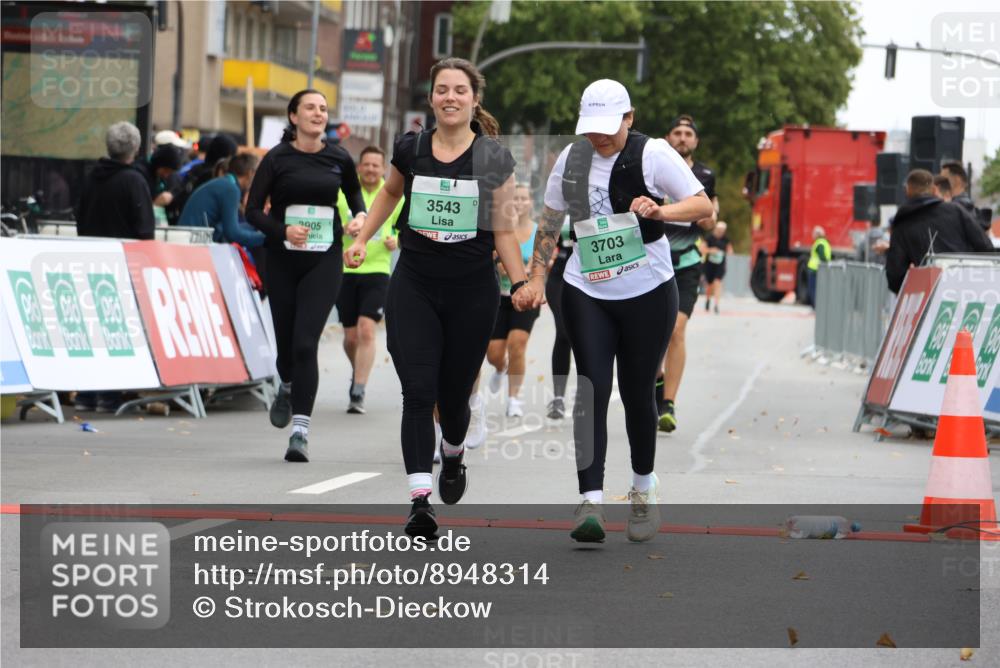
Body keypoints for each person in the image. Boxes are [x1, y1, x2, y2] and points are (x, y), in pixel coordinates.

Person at [516, 79, 713, 543]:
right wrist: (538, 276)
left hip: (648, 288)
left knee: (638, 392)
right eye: (591, 128)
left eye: (609, 127)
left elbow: (702, 206)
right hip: (587, 288)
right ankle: (591, 501)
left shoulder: (654, 154)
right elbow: (549, 221)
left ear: (630, 118)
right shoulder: (571, 159)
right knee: (592, 390)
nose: (599, 138)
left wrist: (662, 212)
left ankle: (643, 488)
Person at [344, 58, 531, 538]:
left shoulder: (492, 157)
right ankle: (419, 502)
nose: (450, 97)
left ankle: (453, 453)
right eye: (441, 90)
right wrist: (364, 237)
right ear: (431, 99)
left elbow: (505, 228)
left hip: (472, 288)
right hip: (416, 284)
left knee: (453, 398)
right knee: (417, 391)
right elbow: (388, 194)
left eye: (459, 90)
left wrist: (521, 281)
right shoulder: (411, 148)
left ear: (474, 99)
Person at [246, 89, 366, 463]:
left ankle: (300, 432)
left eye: (323, 108)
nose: (318, 113)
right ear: (294, 116)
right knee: (286, 349)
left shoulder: (339, 157)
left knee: (304, 343)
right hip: (282, 259)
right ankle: (286, 384)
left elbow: (356, 198)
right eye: (310, 108)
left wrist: (359, 218)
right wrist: (283, 231)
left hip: (324, 259)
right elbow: (252, 212)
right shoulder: (277, 159)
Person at [74, 121, 154, 412]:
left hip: (90, 259)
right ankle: (109, 396)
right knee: (116, 331)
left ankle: (85, 395)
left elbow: (79, 218)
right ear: (135, 148)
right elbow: (145, 228)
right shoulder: (134, 181)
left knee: (94, 329)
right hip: (123, 265)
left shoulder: (91, 177)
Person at [657, 114, 719, 432]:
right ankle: (657, 383)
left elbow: (710, 218)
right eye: (677, 133)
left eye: (688, 134)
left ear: (695, 141)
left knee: (675, 330)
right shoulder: (653, 167)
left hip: (686, 264)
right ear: (668, 138)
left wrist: (704, 213)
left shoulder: (705, 176)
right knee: (652, 334)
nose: (682, 138)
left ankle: (668, 403)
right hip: (652, 263)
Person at [335, 146, 405, 414]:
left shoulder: (393, 195)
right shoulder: (345, 194)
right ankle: (358, 373)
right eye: (367, 165)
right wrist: (343, 228)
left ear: (383, 169)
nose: (371, 170)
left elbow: (404, 229)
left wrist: (395, 240)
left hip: (377, 269)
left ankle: (358, 390)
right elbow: (331, 224)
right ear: (359, 167)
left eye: (376, 165)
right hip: (346, 270)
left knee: (366, 329)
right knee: (351, 337)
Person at [885, 169, 994, 293]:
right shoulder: (955, 210)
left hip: (931, 297)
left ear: (907, 192)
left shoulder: (901, 226)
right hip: (968, 290)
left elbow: (895, 276)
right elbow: (985, 246)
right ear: (934, 190)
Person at [486, 183, 540, 417]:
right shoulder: (499, 230)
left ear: (531, 203)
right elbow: (491, 256)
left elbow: (545, 260)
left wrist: (533, 270)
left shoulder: (539, 231)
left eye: (523, 199)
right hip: (499, 297)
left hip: (526, 297)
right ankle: (501, 368)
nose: (519, 203)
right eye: (514, 199)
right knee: (494, 353)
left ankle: (513, 399)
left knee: (517, 343)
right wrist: (501, 265)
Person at [178, 153, 264, 247]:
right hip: (192, 245)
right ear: (250, 173)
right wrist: (267, 239)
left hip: (189, 240)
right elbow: (232, 234)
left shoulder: (225, 183)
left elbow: (229, 229)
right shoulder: (231, 189)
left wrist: (257, 226)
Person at [544, 214, 574, 420]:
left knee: (585, 336)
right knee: (564, 332)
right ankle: (558, 398)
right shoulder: (561, 202)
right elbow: (545, 236)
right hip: (560, 274)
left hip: (591, 272)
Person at [701, 221, 734, 314]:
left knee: (717, 282)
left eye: (723, 230)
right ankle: (708, 300)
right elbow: (701, 249)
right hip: (709, 265)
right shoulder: (709, 238)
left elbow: (730, 251)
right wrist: (711, 250)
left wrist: (726, 252)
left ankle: (716, 305)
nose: (721, 232)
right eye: (719, 230)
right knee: (710, 285)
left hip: (720, 265)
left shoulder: (726, 240)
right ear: (716, 229)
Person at [806, 225, 830, 307]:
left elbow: (822, 257)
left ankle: (815, 306)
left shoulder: (820, 244)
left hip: (815, 269)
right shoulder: (824, 242)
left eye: (814, 233)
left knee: (812, 289)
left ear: (818, 234)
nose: (812, 235)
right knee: (817, 289)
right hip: (819, 269)